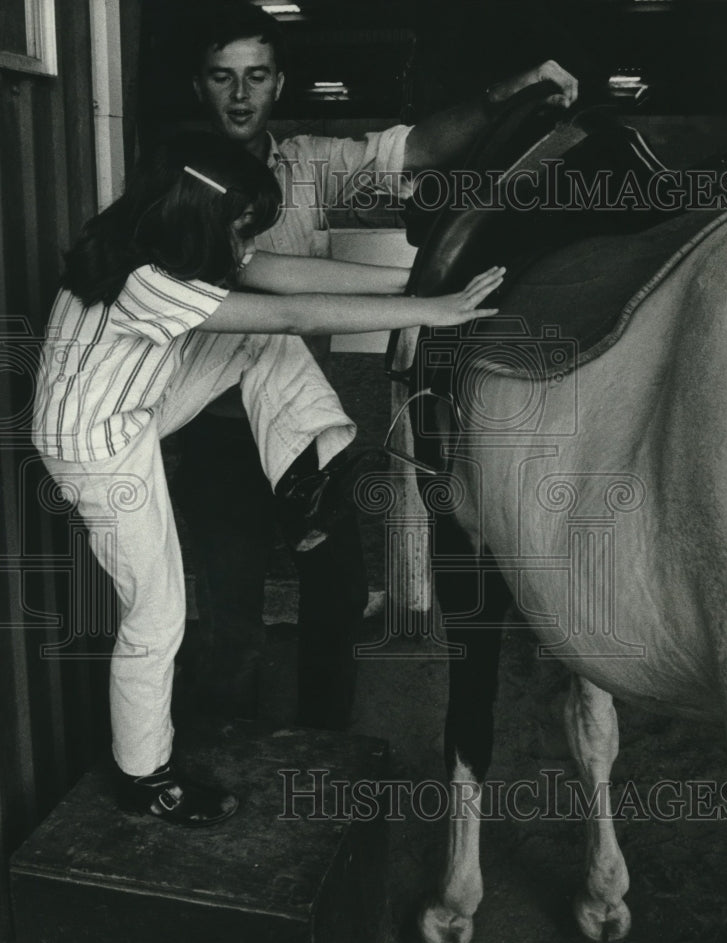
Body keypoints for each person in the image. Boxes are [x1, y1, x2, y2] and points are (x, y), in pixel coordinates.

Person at [31, 129, 504, 827]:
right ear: (203, 217)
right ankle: (145, 775)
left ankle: (308, 470)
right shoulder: (144, 281)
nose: (245, 246)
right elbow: (290, 307)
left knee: (259, 338)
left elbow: (275, 275)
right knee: (154, 616)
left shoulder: (154, 233)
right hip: (97, 448)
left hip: (130, 401)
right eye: (240, 229)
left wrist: (423, 279)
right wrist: (432, 312)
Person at [174, 3, 579, 730]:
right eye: (221, 77)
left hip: (302, 433)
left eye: (255, 76)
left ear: (277, 83)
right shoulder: (171, 184)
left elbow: (417, 149)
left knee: (335, 598)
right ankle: (219, 769)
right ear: (199, 86)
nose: (239, 94)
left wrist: (514, 91)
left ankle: (323, 753)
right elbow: (270, 297)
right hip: (213, 432)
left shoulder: (306, 163)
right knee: (230, 617)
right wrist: (412, 301)